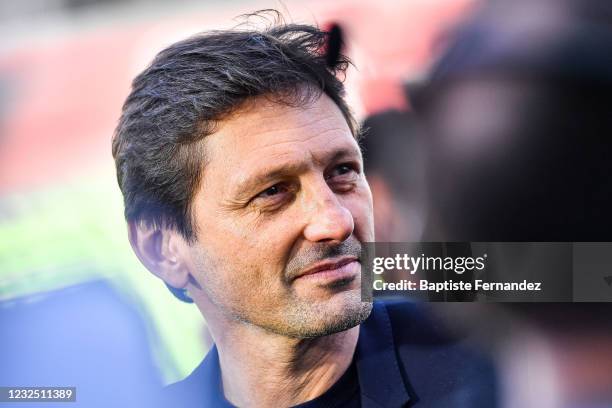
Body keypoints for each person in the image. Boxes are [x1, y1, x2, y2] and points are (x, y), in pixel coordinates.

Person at [112, 13, 496, 407]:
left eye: (343, 172)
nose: (336, 221)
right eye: (273, 191)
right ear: (161, 247)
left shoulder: (499, 362)